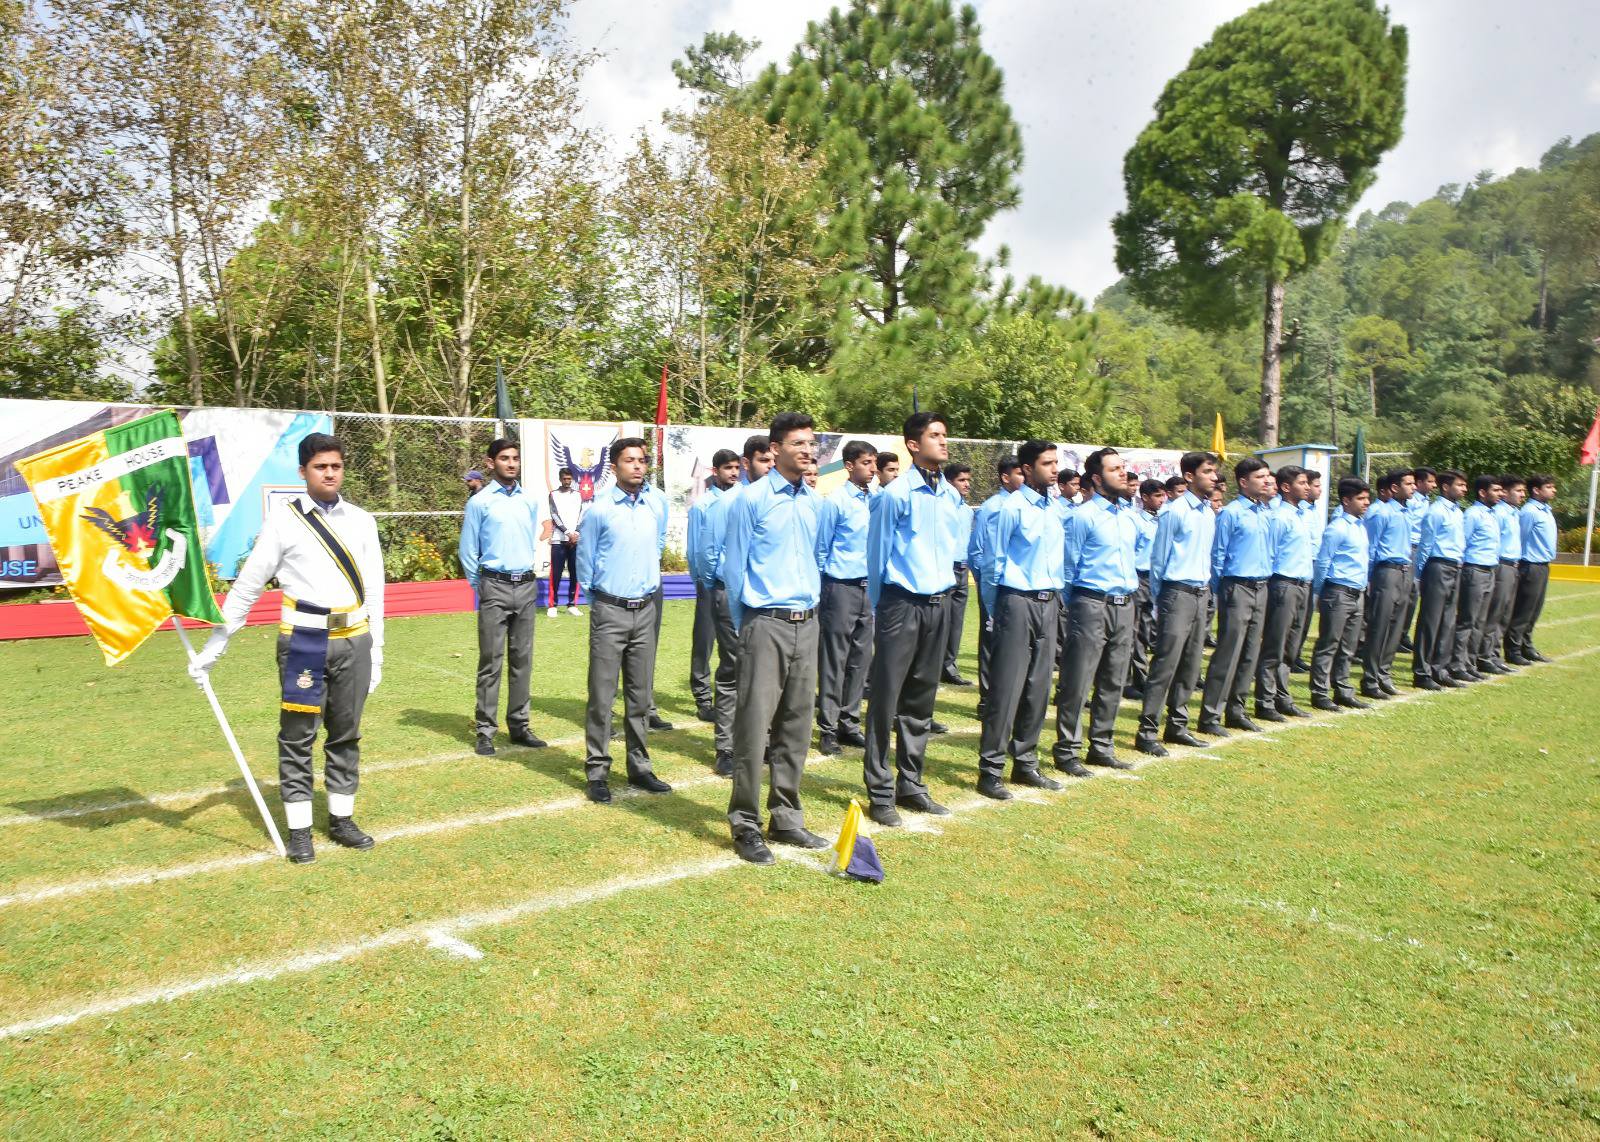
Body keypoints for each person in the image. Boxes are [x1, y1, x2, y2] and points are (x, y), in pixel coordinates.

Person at [188, 433, 384, 864]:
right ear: (302, 471)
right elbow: (247, 587)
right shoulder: (284, 520)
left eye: (335, 466)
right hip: (304, 642)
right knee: (298, 737)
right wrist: (215, 646)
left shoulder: (362, 520)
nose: (329, 473)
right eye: (320, 466)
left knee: (346, 734)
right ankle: (299, 831)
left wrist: (378, 651)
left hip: (354, 639)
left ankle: (342, 820)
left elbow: (375, 590)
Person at [720, 412, 828, 864]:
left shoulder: (815, 502)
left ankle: (786, 816)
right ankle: (745, 822)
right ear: (776, 448)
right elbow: (733, 568)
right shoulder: (751, 500)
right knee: (753, 727)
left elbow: (818, 557)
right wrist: (748, 625)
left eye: (811, 443)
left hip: (808, 622)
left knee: (797, 726)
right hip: (765, 623)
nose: (807, 450)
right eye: (798, 443)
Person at [862, 411, 962, 827]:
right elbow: (876, 554)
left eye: (944, 434)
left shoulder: (949, 495)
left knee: (921, 698)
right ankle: (880, 790)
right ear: (913, 445)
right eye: (935, 435)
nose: (943, 441)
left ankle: (912, 783)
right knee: (886, 700)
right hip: (901, 604)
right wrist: (882, 606)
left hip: (939, 604)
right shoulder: (895, 495)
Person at [577, 437, 671, 803]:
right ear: (614, 467)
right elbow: (585, 561)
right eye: (629, 460)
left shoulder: (654, 506)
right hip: (610, 610)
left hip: (645, 611)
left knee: (640, 695)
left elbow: (657, 546)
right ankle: (597, 771)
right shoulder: (599, 509)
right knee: (602, 696)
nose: (637, 466)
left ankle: (640, 767)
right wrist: (603, 601)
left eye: (642, 460)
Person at [976, 440, 1066, 799]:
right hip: (1016, 600)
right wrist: (994, 611)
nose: (1054, 469)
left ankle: (1026, 762)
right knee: (1007, 688)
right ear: (1027, 469)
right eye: (1047, 463)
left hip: (1049, 601)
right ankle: (991, 770)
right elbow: (992, 564)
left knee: (1039, 688)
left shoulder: (1055, 509)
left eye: (1055, 462)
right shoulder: (1010, 508)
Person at [1053, 447, 1141, 775]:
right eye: (1114, 469)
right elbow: (1067, 566)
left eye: (1122, 467)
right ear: (1097, 478)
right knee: (1078, 679)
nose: (1122, 473)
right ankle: (1067, 750)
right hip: (1091, 603)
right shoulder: (1082, 517)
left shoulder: (1128, 517)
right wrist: (1074, 607)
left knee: (1114, 679)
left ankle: (1102, 746)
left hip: (1124, 603)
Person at [459, 438, 548, 757]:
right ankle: (485, 730)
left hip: (525, 587)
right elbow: (468, 551)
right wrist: (482, 585)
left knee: (522, 660)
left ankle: (520, 726)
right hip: (493, 587)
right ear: (490, 463)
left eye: (515, 458)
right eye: (504, 458)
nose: (511, 463)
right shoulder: (480, 502)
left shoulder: (529, 500)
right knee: (491, 661)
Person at [696, 436, 774, 775]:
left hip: (766, 599)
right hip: (730, 595)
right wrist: (720, 588)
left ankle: (762, 740)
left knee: (765, 673)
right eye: (763, 460)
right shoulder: (730, 502)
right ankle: (726, 748)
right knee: (732, 670)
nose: (769, 467)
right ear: (746, 463)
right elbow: (708, 552)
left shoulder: (776, 500)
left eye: (772, 460)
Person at [1134, 451, 1218, 757]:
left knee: (1191, 662)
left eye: (1214, 472)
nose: (1214, 477)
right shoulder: (1175, 511)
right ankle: (1147, 730)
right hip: (1177, 592)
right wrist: (1161, 600)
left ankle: (1178, 725)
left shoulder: (1208, 513)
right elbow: (1159, 560)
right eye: (1208, 472)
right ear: (1190, 476)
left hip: (1200, 592)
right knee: (1166, 663)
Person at [1197, 456, 1275, 736]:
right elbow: (1218, 555)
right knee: (1229, 652)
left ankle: (1236, 710)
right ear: (1243, 482)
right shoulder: (1231, 513)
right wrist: (1224, 590)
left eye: (1267, 476)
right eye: (1259, 477)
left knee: (1251, 652)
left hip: (1262, 586)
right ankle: (1210, 715)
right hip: (1237, 586)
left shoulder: (1265, 512)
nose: (1266, 481)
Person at [814, 440, 876, 756]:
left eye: (874, 462)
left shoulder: (876, 500)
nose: (873, 468)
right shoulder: (835, 502)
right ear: (849, 466)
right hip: (840, 587)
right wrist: (822, 590)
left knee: (860, 660)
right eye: (866, 462)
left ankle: (849, 723)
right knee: (834, 660)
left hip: (869, 588)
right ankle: (828, 727)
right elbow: (821, 549)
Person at [1254, 465, 1315, 721]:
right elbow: (1269, 553)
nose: (1307, 487)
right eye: (1302, 483)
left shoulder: (1301, 515)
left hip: (1302, 584)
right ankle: (1265, 701)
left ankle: (1282, 697)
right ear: (1287, 487)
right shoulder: (1279, 517)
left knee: (1291, 646)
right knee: (1274, 645)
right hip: (1283, 584)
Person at [1308, 476, 1372, 710]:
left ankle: (1343, 689)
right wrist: (1318, 593)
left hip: (1357, 592)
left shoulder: (1360, 527)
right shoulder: (1337, 528)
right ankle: (1320, 692)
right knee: (1329, 643)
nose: (1366, 503)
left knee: (1348, 645)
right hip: (1338, 591)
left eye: (1367, 498)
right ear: (1346, 500)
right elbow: (1324, 562)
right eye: (1361, 498)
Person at [686, 450, 741, 722]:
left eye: (737, 467)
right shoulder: (702, 505)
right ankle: (702, 697)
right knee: (704, 639)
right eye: (728, 468)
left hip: (737, 585)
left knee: (734, 645)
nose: (734, 473)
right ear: (715, 471)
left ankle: (731, 698)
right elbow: (694, 547)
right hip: (709, 582)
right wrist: (701, 580)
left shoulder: (745, 499)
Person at [969, 456, 1024, 718]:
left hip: (1017, 589)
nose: (1023, 478)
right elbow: (976, 551)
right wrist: (986, 585)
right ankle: (987, 699)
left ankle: (1009, 698)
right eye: (1018, 473)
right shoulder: (992, 507)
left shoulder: (1027, 506)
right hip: (994, 585)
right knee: (991, 642)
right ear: (1005, 477)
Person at [1360, 468, 1416, 700]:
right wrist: (1369, 579)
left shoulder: (1405, 512)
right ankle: (1370, 679)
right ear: (1395, 487)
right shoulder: (1380, 513)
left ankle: (1384, 674)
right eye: (1409, 484)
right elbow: (1370, 548)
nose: (1413, 487)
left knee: (1395, 626)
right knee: (1380, 626)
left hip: (1404, 571)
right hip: (1385, 572)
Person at [1413, 469, 1467, 690]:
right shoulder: (1436, 511)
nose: (1464, 489)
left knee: (1448, 621)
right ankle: (1422, 672)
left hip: (1455, 566)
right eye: (1460, 485)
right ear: (1446, 487)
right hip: (1438, 566)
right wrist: (1420, 574)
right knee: (1431, 620)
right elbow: (1425, 545)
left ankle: (1440, 669)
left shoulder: (1457, 511)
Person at [1450, 474, 1503, 683]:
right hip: (1474, 569)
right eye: (1495, 490)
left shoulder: (1491, 514)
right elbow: (1463, 541)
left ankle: (1470, 663)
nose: (1500, 494)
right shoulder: (1473, 514)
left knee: (1480, 620)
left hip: (1489, 569)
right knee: (1467, 620)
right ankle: (1457, 663)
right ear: (1482, 492)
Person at [1507, 474, 1557, 664]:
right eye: (1549, 487)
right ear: (1536, 490)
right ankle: (1513, 650)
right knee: (1523, 610)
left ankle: (1526, 646)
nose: (1553, 490)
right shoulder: (1529, 511)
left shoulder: (1545, 510)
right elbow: (1521, 537)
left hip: (1543, 565)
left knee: (1534, 610)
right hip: (1530, 564)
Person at [1124, 477, 1167, 701]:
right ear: (1145, 498)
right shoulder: (1136, 521)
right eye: (1157, 496)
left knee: (1145, 631)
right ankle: (1127, 680)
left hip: (1155, 578)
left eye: (1163, 495)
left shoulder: (1162, 520)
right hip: (1139, 578)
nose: (1162, 500)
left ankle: (1141, 678)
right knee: (1132, 631)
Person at [1480, 474, 1525, 674]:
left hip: (1513, 566)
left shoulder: (1514, 513)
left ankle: (1494, 655)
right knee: (1494, 613)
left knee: (1504, 614)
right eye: (1518, 491)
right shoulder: (1498, 513)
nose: (1522, 495)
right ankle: (1484, 655)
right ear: (1506, 492)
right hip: (1501, 565)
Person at [941, 462, 976, 686]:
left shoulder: (967, 510)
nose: (966, 484)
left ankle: (949, 666)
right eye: (961, 480)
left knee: (956, 622)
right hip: (945, 568)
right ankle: (933, 665)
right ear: (949, 482)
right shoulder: (942, 507)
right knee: (940, 622)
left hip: (962, 569)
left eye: (968, 480)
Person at [1397, 466, 1436, 654]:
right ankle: (1397, 635)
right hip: (1410, 547)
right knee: (1408, 593)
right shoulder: (1411, 502)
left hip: (1420, 547)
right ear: (1420, 482)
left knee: (1413, 596)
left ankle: (1402, 634)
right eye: (1430, 481)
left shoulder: (1426, 502)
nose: (1434, 485)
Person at [1290, 470, 1326, 671]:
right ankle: (1289, 654)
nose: (1319, 489)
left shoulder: (1312, 510)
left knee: (1305, 615)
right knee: (1295, 616)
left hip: (1312, 564)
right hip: (1303, 563)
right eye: (1316, 486)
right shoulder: (1299, 511)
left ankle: (1296, 653)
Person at [546, 466, 586, 618]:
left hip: (575, 540)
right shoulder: (553, 495)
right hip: (559, 539)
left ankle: (572, 604)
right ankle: (553, 605)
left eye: (569, 479)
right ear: (560, 479)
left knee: (575, 573)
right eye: (565, 479)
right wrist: (567, 532)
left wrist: (576, 532)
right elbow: (554, 515)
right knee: (556, 574)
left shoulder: (578, 495)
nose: (567, 481)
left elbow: (582, 514)